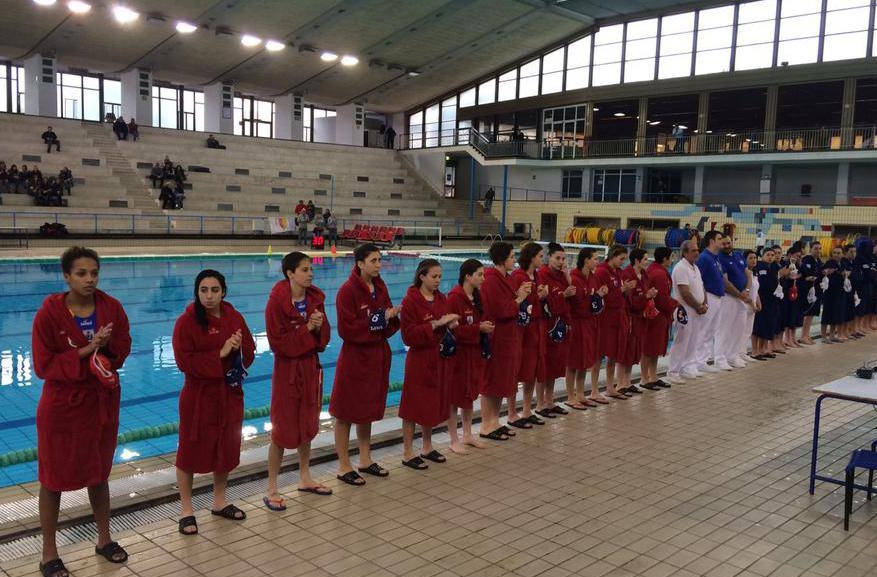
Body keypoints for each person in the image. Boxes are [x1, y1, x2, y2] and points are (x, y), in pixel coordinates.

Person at [31, 247, 132, 577]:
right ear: (66, 276)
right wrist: (89, 349)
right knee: (52, 480)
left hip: (99, 405)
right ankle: (49, 553)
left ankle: (104, 539)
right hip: (62, 408)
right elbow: (43, 366)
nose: (90, 279)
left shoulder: (110, 307)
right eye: (81, 273)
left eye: (94, 273)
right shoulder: (48, 314)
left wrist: (107, 352)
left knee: (98, 474)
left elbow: (124, 347)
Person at [172, 269, 255, 536]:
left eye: (215, 290)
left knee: (226, 448)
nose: (209, 296)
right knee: (189, 451)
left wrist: (239, 348)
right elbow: (184, 362)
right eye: (204, 290)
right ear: (197, 293)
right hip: (198, 397)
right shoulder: (186, 323)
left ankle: (219, 501)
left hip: (228, 395)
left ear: (223, 292)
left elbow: (251, 351)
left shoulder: (234, 317)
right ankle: (186, 510)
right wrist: (220, 353)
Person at [263, 252, 332, 511]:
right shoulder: (276, 303)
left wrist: (319, 326)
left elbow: (324, 340)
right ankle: (272, 487)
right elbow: (278, 344)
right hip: (287, 371)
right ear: (290, 273)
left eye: (310, 269)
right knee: (281, 429)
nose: (310, 274)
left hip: (309, 368)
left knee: (307, 422)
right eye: (304, 269)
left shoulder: (315, 299)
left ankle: (305, 476)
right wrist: (307, 329)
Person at [330, 244, 400, 486]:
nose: (379, 265)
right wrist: (382, 318)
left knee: (366, 412)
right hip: (355, 360)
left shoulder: (380, 286)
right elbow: (347, 330)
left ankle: (365, 459)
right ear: (360, 263)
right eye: (374, 260)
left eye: (380, 260)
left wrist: (391, 318)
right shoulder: (347, 291)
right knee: (345, 413)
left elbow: (388, 323)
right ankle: (343, 465)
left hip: (376, 358)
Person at [399, 259, 458, 470]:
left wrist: (451, 323)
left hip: (438, 358)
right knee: (412, 407)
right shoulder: (410, 302)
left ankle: (427, 446)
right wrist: (435, 324)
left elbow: (445, 326)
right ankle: (407, 452)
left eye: (440, 276)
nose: (438, 280)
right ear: (422, 276)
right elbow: (407, 336)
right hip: (419, 360)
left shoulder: (441, 298)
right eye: (434, 276)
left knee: (431, 403)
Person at [481, 241, 530, 440]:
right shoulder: (491, 280)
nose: (514, 260)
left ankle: (495, 421)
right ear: (502, 259)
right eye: (512, 257)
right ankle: (486, 424)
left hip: (510, 336)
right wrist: (519, 298)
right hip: (497, 336)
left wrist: (521, 297)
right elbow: (500, 310)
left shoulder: (507, 278)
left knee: (504, 379)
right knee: (491, 381)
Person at [445, 259, 493, 454]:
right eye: (480, 274)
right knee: (455, 398)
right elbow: (451, 331)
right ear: (467, 276)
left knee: (470, 394)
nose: (483, 278)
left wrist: (483, 329)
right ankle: (453, 438)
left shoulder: (476, 296)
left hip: (474, 354)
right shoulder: (454, 298)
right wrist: (478, 328)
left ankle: (467, 434)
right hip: (459, 355)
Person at [511, 242, 547, 424]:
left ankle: (526, 410)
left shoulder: (537, 276)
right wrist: (536, 296)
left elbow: (534, 302)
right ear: (532, 257)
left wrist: (541, 296)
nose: (543, 259)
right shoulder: (518, 276)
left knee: (532, 370)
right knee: (518, 369)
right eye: (541, 256)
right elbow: (518, 303)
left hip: (536, 329)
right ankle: (511, 411)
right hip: (523, 330)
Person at [568, 247, 609, 405]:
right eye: (595, 259)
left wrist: (600, 294)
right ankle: (571, 397)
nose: (597, 262)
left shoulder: (592, 277)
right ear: (586, 260)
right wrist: (596, 296)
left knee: (584, 361)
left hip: (589, 323)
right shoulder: (574, 278)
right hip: (577, 323)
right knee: (573, 361)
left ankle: (580, 395)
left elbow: (593, 298)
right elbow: (578, 305)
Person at [538, 243, 577, 411]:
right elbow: (546, 305)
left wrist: (569, 280)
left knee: (555, 365)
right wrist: (563, 295)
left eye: (563, 258)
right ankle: (540, 404)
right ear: (549, 258)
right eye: (557, 258)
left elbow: (574, 303)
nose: (561, 262)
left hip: (560, 326)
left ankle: (550, 400)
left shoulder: (563, 276)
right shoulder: (542, 275)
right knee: (545, 366)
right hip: (548, 327)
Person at [594, 245, 635, 397]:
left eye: (625, 259)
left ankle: (610, 387)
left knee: (613, 354)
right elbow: (602, 298)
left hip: (617, 318)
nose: (623, 262)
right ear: (612, 256)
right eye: (621, 259)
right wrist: (622, 290)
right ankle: (594, 390)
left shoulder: (618, 272)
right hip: (605, 319)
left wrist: (626, 290)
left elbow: (619, 296)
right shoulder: (601, 271)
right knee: (599, 355)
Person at [666, 240, 707, 383]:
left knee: (693, 339)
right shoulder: (681, 268)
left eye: (697, 250)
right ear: (685, 252)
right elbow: (685, 292)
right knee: (681, 341)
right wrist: (698, 306)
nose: (697, 253)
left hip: (696, 309)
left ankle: (687, 366)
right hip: (685, 309)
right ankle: (673, 371)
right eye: (693, 250)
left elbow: (702, 287)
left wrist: (705, 303)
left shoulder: (695, 267)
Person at [619, 248, 656, 395]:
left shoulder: (645, 275)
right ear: (637, 261)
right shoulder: (627, 275)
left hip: (641, 317)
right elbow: (630, 301)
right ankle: (621, 383)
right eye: (645, 259)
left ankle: (627, 381)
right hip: (630, 317)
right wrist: (646, 296)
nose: (647, 262)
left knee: (635, 350)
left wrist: (649, 295)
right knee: (626, 350)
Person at [643, 247, 678, 389]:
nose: (673, 259)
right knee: (649, 347)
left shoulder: (657, 270)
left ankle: (653, 375)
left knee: (655, 347)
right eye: (671, 256)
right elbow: (662, 298)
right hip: (656, 315)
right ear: (665, 258)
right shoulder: (659, 274)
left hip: (658, 315)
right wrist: (676, 304)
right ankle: (645, 378)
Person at [716, 235, 752, 368]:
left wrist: (747, 291)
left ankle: (732, 356)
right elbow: (725, 282)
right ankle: (720, 358)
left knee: (739, 328)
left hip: (741, 297)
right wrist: (740, 295)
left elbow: (747, 274)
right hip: (728, 298)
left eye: (728, 243)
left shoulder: (738, 255)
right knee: (724, 329)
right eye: (723, 243)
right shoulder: (720, 258)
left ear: (732, 242)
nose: (726, 246)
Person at [694, 230, 726, 372]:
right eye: (719, 239)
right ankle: (697, 361)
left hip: (718, 298)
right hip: (709, 297)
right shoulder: (704, 258)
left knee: (711, 330)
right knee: (703, 330)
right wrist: (703, 299)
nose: (722, 241)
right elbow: (698, 280)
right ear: (712, 241)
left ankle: (703, 360)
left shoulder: (716, 257)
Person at [753, 248, 780, 358]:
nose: (770, 257)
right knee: (758, 326)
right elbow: (763, 285)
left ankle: (763, 349)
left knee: (768, 325)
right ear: (762, 256)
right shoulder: (760, 267)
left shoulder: (773, 267)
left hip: (771, 301)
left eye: (772, 255)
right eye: (768, 254)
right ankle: (755, 350)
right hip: (762, 300)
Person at [799, 241, 824, 344]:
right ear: (811, 249)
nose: (818, 250)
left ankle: (806, 335)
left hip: (816, 291)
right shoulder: (806, 260)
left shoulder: (820, 262)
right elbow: (802, 274)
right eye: (815, 248)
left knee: (812, 314)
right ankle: (803, 336)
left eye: (819, 248)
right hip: (807, 291)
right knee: (807, 314)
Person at [821, 247, 845, 343]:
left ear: (842, 254)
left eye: (838, 253)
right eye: (834, 253)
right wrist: (827, 271)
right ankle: (823, 336)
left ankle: (831, 335)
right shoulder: (829, 263)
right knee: (827, 314)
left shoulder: (842, 264)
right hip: (829, 293)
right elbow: (823, 271)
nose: (836, 255)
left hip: (839, 292)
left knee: (835, 314)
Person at [742, 250, 762, 359]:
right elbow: (746, 291)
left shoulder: (754, 273)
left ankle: (743, 352)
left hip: (752, 306)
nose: (754, 260)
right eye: (751, 258)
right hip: (745, 305)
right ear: (745, 260)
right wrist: (752, 305)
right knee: (741, 331)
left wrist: (759, 302)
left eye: (755, 258)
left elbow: (756, 291)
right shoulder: (744, 273)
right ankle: (738, 353)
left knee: (748, 331)